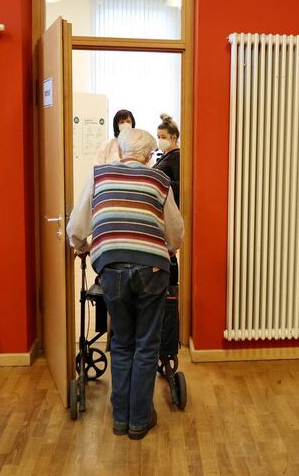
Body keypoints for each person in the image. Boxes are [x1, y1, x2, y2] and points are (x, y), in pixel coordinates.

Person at [67, 128, 184, 440]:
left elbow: (77, 224)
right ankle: (139, 420)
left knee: (120, 342)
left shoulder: (100, 175)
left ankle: (120, 419)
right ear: (147, 156)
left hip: (112, 264)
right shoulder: (160, 181)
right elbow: (176, 232)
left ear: (119, 152)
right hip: (152, 269)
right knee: (147, 345)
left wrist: (79, 243)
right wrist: (170, 245)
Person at [154, 113, 181, 207]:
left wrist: (161, 182)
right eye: (158, 137)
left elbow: (181, 185)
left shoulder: (176, 156)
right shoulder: (166, 154)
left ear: (174, 137)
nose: (160, 140)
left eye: (163, 137)